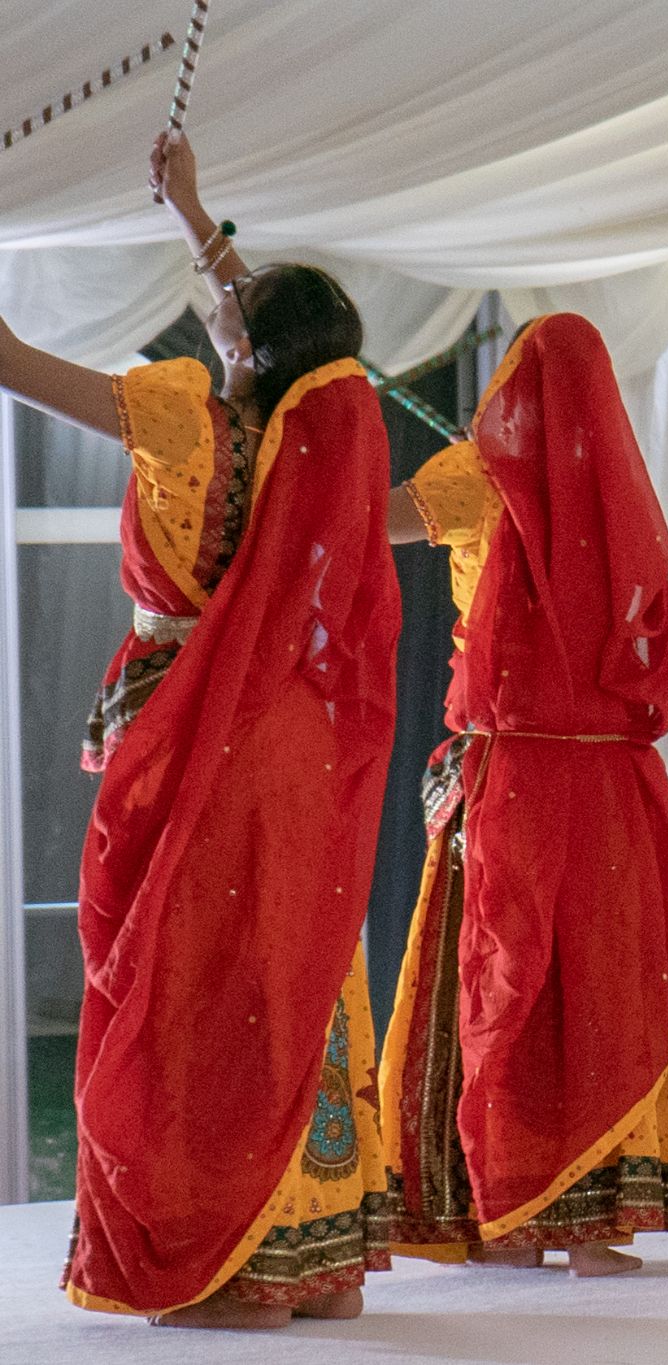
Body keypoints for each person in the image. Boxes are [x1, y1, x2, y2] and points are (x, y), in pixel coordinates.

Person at [0, 131, 399, 1327]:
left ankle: (215, 1258)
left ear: (234, 348)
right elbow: (265, 328)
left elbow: (20, 365)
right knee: (289, 969)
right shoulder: (323, 436)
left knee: (182, 983)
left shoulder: (186, 421)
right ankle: (310, 1255)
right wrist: (192, 216)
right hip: (287, 736)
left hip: (188, 727)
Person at [381, 313, 668, 1274]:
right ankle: (583, 1218)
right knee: (600, 984)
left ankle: (498, 1205)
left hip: (518, 777)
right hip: (611, 782)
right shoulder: (623, 496)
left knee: (506, 980)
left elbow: (368, 521)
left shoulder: (476, 477)